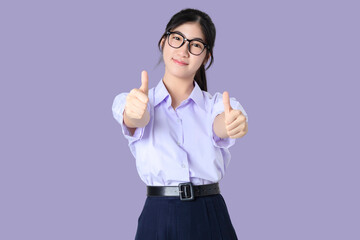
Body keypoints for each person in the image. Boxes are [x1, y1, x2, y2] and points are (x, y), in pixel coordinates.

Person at [112, 8, 248, 240]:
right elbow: (136, 119)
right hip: (158, 215)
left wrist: (230, 124)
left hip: (210, 213)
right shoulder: (132, 100)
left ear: (206, 56)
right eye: (177, 39)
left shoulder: (218, 104)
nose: (184, 50)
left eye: (195, 45)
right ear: (163, 42)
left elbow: (221, 125)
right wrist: (136, 113)